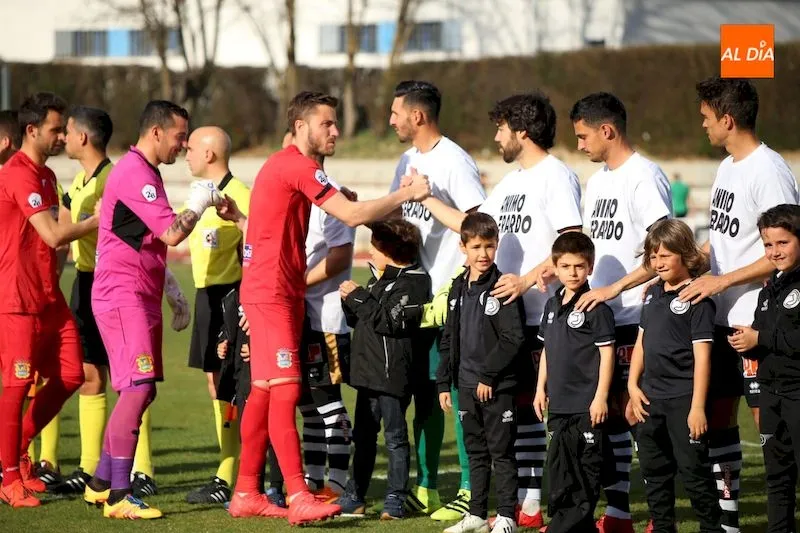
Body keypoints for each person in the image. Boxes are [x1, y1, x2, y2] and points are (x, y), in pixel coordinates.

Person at [215, 91, 431, 524]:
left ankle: (246, 492)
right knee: (284, 390)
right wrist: (406, 193)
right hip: (273, 294)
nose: (335, 130)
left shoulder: (287, 167)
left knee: (263, 392)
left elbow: (273, 222)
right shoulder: (297, 165)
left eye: (335, 122)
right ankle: (298, 494)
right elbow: (350, 216)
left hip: (275, 291)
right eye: (326, 123)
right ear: (300, 127)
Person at [421, 92, 584, 527]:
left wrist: (527, 280)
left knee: (545, 412)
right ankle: (527, 505)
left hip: (541, 316)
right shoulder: (511, 183)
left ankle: (554, 505)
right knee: (520, 416)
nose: (496, 137)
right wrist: (425, 197)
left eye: (500, 128)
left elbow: (572, 242)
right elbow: (471, 227)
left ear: (522, 131)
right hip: (507, 320)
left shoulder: (556, 176)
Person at [83, 100, 222, 519]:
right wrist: (198, 203)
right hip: (123, 295)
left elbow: (142, 239)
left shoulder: (146, 172)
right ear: (157, 132)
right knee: (138, 388)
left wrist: (170, 287)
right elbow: (171, 233)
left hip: (137, 293)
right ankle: (120, 496)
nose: (183, 144)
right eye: (180, 136)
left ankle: (101, 484)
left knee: (142, 389)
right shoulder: (135, 173)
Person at [678, 77, 799, 533]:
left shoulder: (769, 171)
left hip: (757, 322)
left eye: (707, 118)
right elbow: (725, 238)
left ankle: (779, 519)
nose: (703, 125)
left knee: (770, 431)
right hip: (721, 317)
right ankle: (729, 524)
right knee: (719, 419)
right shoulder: (728, 167)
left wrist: (723, 280)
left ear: (727, 119)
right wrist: (690, 262)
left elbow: (784, 250)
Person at [570, 92, 673, 533]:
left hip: (636, 317)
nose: (579, 145)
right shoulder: (597, 182)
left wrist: (615, 288)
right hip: (603, 319)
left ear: (607, 130)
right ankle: (618, 514)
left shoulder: (644, 177)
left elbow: (667, 251)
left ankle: (662, 516)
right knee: (609, 417)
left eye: (583, 136)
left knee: (639, 418)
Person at [388, 80, 486, 518]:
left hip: (449, 298)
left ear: (418, 115)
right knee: (424, 397)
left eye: (396, 113)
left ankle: (469, 488)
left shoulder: (454, 161)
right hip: (414, 301)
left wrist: (427, 197)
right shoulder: (406, 160)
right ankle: (426, 486)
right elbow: (398, 219)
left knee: (458, 397)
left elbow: (479, 226)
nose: (391, 120)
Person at [0, 92, 98, 507]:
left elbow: (56, 245)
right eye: (55, 129)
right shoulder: (17, 173)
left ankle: (16, 448)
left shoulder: (48, 176)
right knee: (17, 385)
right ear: (31, 130)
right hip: (16, 297)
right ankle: (9, 477)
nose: (61, 136)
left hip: (47, 296)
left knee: (72, 375)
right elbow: (55, 234)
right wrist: (99, 220)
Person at [628, 219, 722, 532]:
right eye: (653, 257)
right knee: (654, 473)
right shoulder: (652, 293)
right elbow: (641, 343)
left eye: (666, 256)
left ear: (684, 253)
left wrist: (697, 407)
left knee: (694, 473)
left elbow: (703, 358)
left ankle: (712, 528)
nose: (658, 262)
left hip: (683, 400)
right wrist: (633, 385)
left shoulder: (697, 298)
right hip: (649, 399)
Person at [334, 220, 431, 520]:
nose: (371, 252)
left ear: (390, 251)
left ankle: (395, 500)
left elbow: (389, 321)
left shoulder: (414, 282)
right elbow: (362, 319)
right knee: (363, 437)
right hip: (368, 374)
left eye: (375, 247)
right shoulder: (380, 278)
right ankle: (354, 496)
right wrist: (349, 302)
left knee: (395, 438)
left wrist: (357, 297)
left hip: (392, 375)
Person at [437, 213, 525, 533]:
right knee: (475, 452)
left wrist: (488, 376)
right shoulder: (458, 287)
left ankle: (506, 516)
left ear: (496, 246)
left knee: (501, 453)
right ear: (463, 247)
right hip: (465, 385)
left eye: (489, 246)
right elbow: (449, 337)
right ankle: (476, 514)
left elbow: (513, 338)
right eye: (476, 247)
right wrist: (443, 382)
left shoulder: (503, 286)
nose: (483, 254)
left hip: (495, 386)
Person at [183, 126, 251, 505]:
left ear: (209, 154)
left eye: (191, 148)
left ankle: (234, 474)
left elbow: (255, 250)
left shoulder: (240, 195)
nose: (186, 154)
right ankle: (228, 472)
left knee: (236, 387)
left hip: (231, 298)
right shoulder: (197, 196)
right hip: (204, 297)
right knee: (215, 386)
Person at [533, 231, 615, 532]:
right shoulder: (551, 305)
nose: (572, 272)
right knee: (560, 470)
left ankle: (564, 526)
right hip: (558, 404)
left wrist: (600, 397)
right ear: (555, 267)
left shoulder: (596, 308)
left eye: (579, 266)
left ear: (590, 267)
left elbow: (607, 354)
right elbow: (546, 351)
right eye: (565, 266)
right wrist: (540, 388)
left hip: (586, 405)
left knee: (586, 471)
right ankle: (576, 526)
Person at [728, 204, 800, 533]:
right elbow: (765, 333)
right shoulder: (770, 287)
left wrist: (760, 337)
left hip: (797, 393)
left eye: (783, 242)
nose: (774, 251)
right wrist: (747, 339)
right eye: (768, 244)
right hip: (772, 393)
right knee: (777, 477)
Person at [298, 151, 355, 500]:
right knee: (307, 403)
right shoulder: (301, 195)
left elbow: (340, 257)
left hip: (326, 318)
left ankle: (338, 483)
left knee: (328, 399)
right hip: (302, 315)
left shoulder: (331, 196)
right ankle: (314, 480)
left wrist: (296, 284)